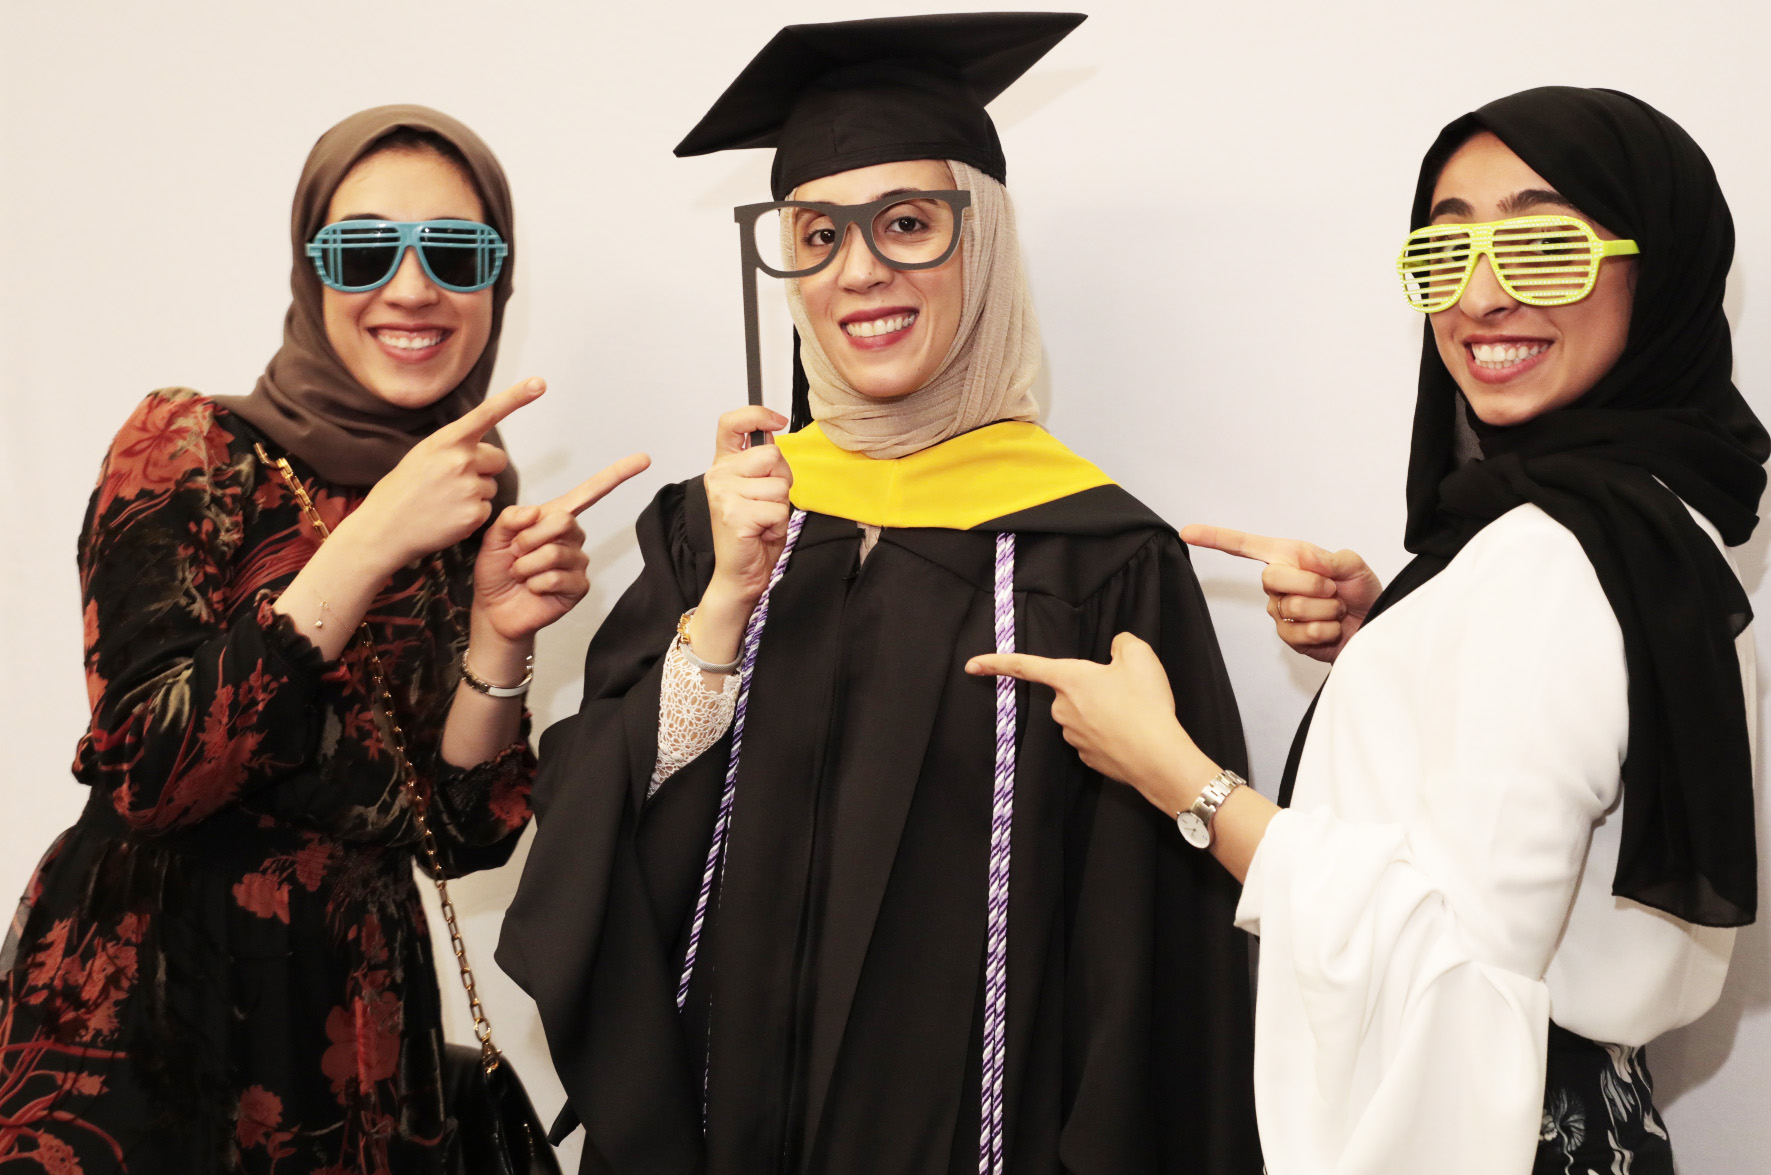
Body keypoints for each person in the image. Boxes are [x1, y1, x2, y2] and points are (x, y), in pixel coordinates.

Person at [498, 13, 1261, 1175]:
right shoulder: (716, 530)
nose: (859, 271)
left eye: (908, 223)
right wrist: (716, 623)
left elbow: (1156, 957)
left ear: (986, 243)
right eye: (816, 233)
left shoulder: (1100, 558)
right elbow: (592, 826)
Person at [970, 86, 1764, 1174]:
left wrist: (1178, 775)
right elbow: (1572, 769)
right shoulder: (1643, 524)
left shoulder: (1549, 557)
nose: (1481, 296)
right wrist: (1392, 640)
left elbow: (1446, 964)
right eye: (1444, 255)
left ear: (1657, 268)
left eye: (1541, 244)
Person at [0, 105, 648, 1174]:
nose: (410, 288)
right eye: (361, 250)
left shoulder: (473, 500)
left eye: (454, 250)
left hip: (355, 1031)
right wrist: (370, 538)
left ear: (498, 280)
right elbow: (147, 770)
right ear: (311, 274)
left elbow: (458, 836)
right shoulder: (188, 444)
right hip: (148, 1019)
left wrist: (499, 638)